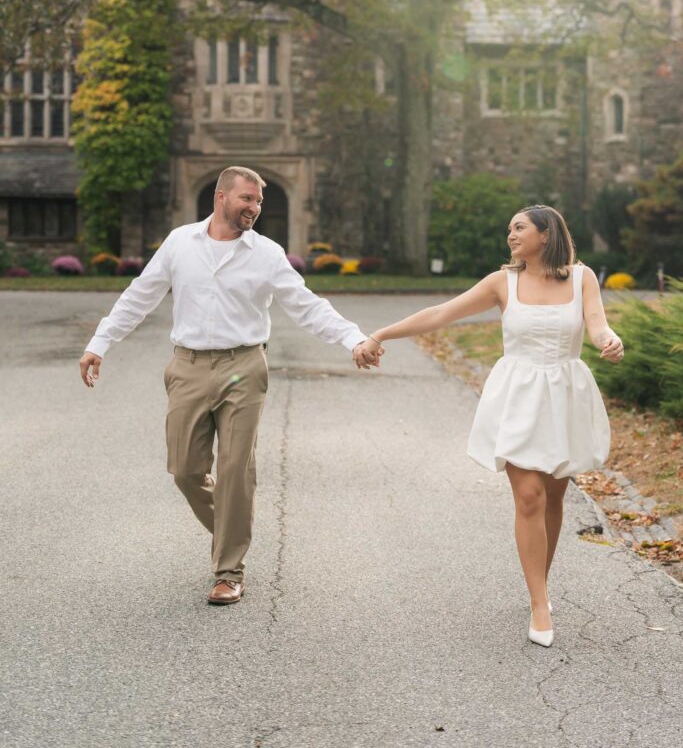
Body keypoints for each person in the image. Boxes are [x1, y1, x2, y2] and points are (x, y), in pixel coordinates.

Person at [80, 165, 381, 605]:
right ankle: (232, 529)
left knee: (236, 469)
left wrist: (352, 338)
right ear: (221, 197)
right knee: (184, 470)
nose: (255, 208)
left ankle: (228, 570)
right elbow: (139, 295)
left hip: (244, 366)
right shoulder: (180, 242)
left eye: (259, 201)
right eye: (247, 199)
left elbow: (306, 305)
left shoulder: (267, 253)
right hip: (187, 366)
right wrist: (100, 342)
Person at [355, 205, 623, 647]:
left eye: (518, 228)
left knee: (555, 494)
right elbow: (443, 313)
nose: (510, 236)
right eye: (509, 230)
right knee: (530, 495)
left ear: (546, 232)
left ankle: (541, 581)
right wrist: (380, 333)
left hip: (564, 393)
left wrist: (608, 341)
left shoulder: (582, 277)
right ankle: (539, 604)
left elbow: (597, 325)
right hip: (517, 396)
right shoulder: (503, 282)